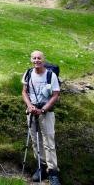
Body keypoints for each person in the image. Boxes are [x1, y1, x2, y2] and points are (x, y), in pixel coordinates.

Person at [22, 50, 61, 185]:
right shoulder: (28, 74)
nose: (36, 60)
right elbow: (24, 91)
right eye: (34, 58)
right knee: (35, 140)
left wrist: (44, 109)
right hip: (32, 112)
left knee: (49, 141)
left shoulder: (51, 75)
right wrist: (29, 105)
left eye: (39, 58)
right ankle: (42, 167)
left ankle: (53, 172)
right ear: (31, 59)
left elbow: (55, 95)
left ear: (43, 60)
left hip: (46, 113)